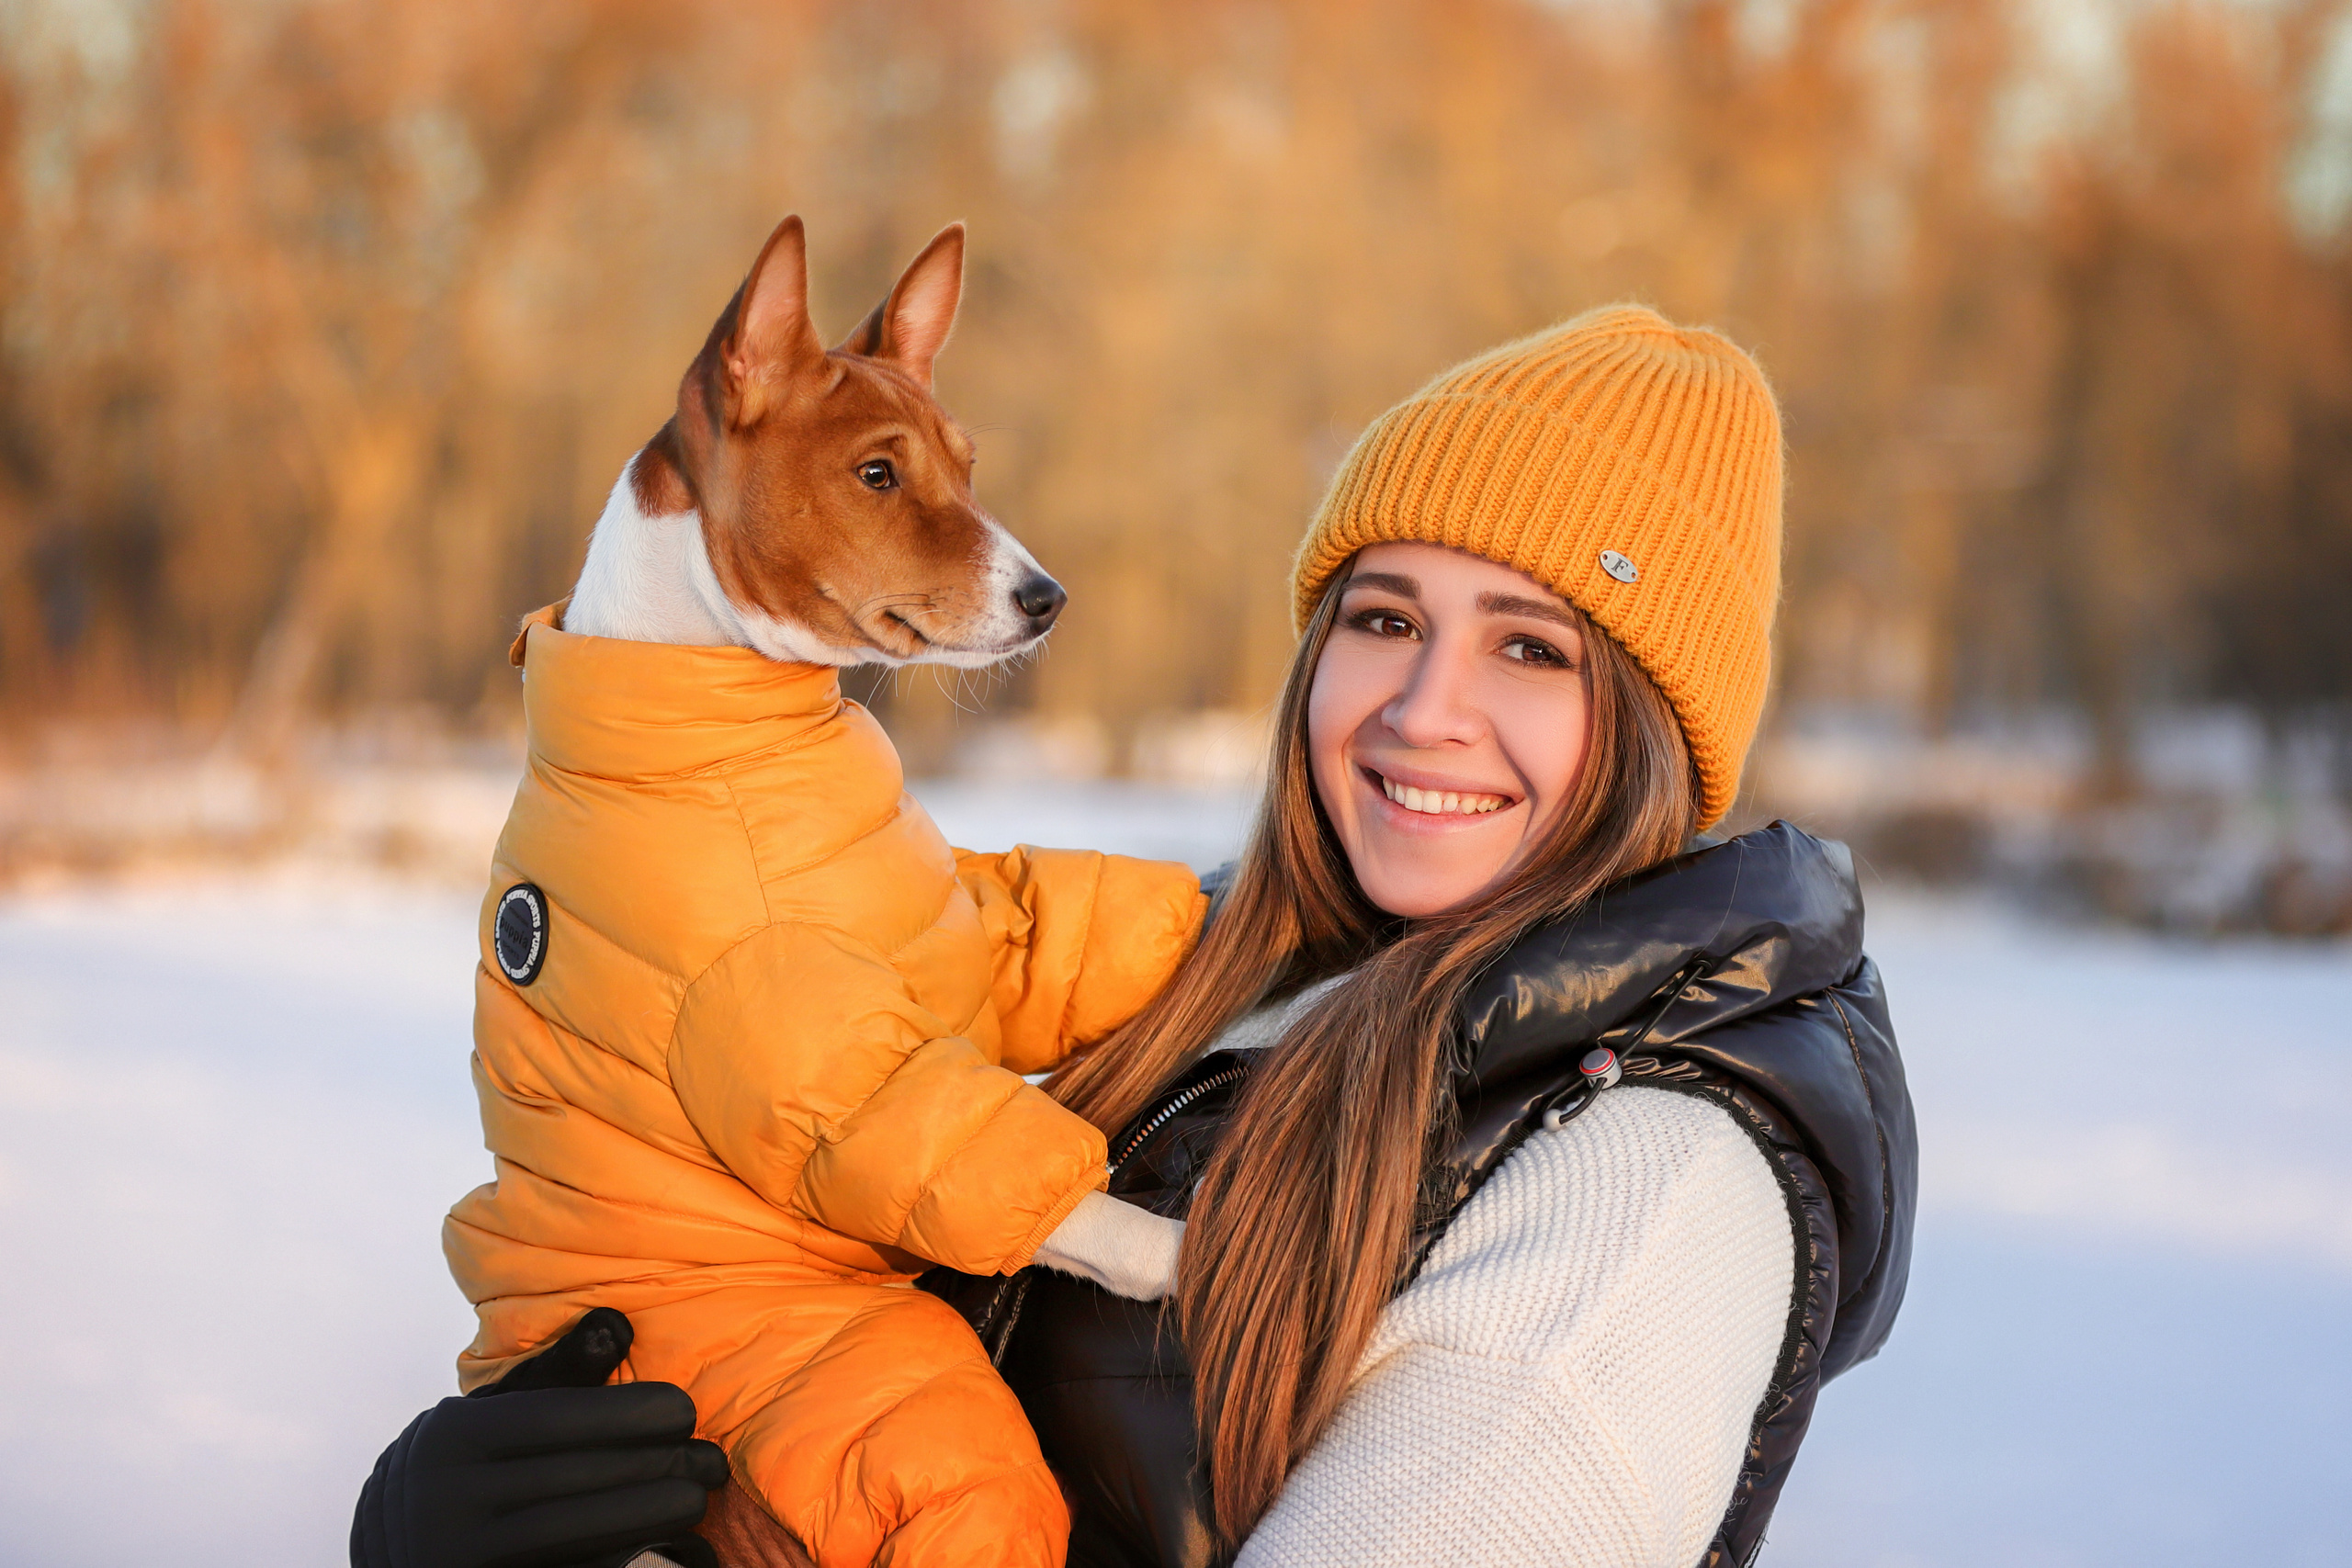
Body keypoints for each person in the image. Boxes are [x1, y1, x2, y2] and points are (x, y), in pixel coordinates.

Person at [358, 305, 1917, 1568]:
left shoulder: (1644, 1187)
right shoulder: (1242, 979)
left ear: (1655, 725)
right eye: (1383, 618)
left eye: (1531, 649)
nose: (1425, 710)